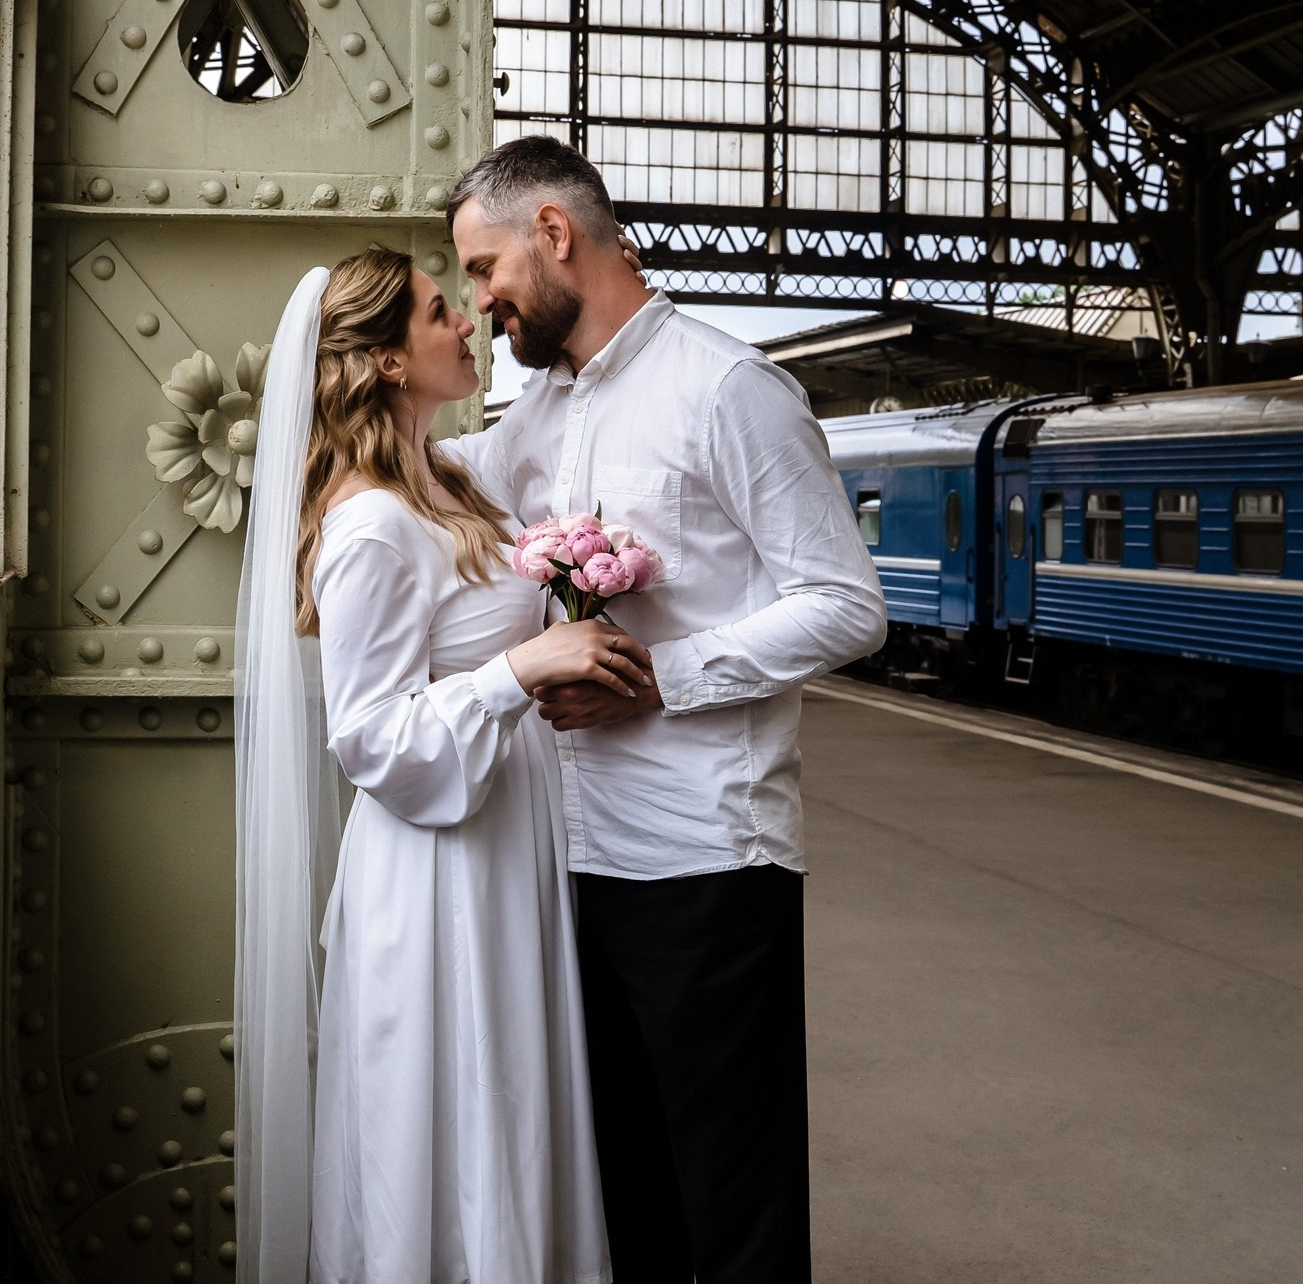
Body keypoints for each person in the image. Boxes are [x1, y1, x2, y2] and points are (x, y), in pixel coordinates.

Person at [440, 135, 890, 1284]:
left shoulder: (728, 389)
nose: (482, 301)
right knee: (622, 1187)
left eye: (486, 268)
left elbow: (845, 606)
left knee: (730, 1199)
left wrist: (655, 678)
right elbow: (428, 485)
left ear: (553, 235)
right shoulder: (537, 413)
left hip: (705, 857)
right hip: (566, 859)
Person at [232, 247, 630, 1284]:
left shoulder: (450, 479)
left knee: (510, 1112)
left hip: (503, 856)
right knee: (459, 1124)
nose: (470, 324)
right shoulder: (369, 525)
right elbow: (369, 738)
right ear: (387, 362)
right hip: (441, 878)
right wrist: (520, 667)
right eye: (441, 311)